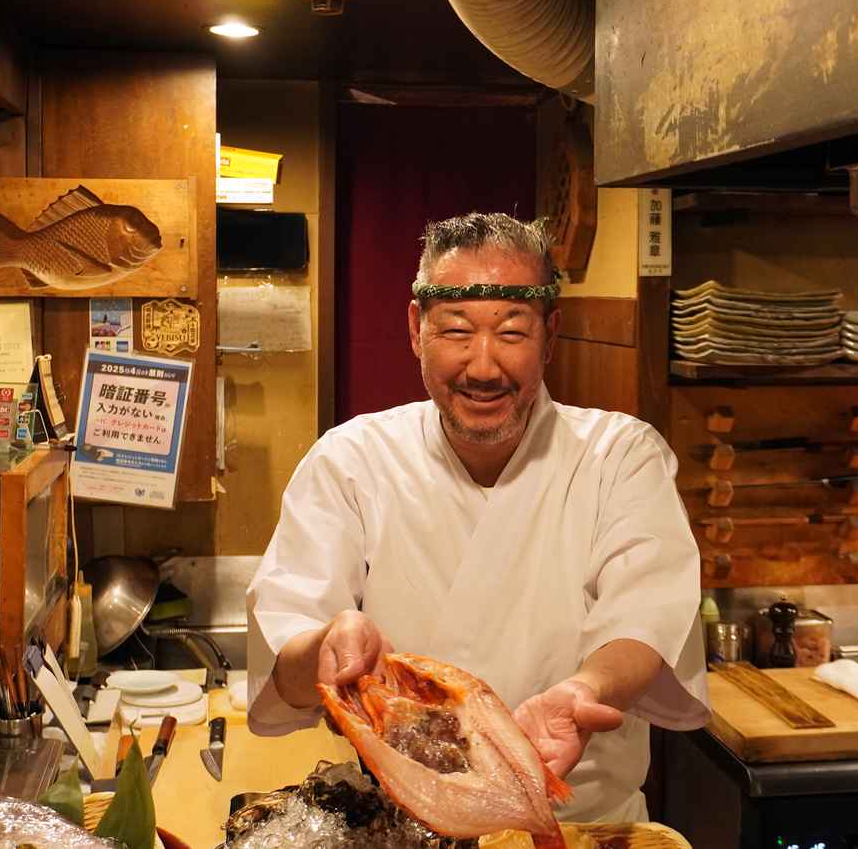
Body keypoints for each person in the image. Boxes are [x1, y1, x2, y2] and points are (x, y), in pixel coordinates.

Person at [246, 212, 709, 823]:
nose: (484, 367)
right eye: (457, 331)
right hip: (399, 828)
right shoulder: (352, 459)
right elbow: (289, 652)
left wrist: (585, 691)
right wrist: (327, 649)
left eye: (512, 333)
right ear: (416, 329)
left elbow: (645, 619)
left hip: (578, 826)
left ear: (551, 332)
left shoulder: (618, 455)